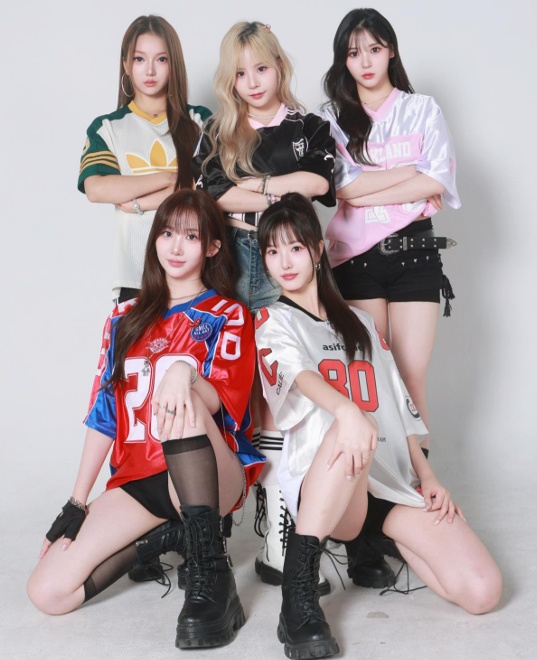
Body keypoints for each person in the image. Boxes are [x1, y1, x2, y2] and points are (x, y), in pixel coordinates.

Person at [254, 193, 501, 659]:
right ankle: (297, 594)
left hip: (386, 485)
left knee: (482, 590)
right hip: (329, 487)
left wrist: (428, 477)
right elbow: (300, 377)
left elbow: (399, 409)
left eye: (295, 247)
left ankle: (388, 541)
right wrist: (347, 411)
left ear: (318, 249)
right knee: (348, 425)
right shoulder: (272, 322)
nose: (284, 262)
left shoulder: (362, 323)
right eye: (272, 251)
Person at [27, 190, 265, 650]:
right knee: (48, 592)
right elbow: (104, 416)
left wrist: (183, 373)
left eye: (191, 237)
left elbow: (223, 400)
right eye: (167, 233)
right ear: (154, 239)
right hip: (140, 480)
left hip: (212, 475)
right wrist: (77, 502)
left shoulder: (228, 314)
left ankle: (212, 577)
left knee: (184, 399)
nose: (176, 247)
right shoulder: (123, 318)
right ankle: (161, 538)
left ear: (212, 247)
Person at [320, 7, 461, 588]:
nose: (365, 62)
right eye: (353, 52)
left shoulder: (422, 108)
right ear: (344, 59)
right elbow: (341, 189)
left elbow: (439, 179)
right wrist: (407, 174)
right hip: (354, 260)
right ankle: (369, 527)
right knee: (372, 387)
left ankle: (415, 499)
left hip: (415, 256)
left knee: (411, 380)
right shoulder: (332, 117)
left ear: (391, 51)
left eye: (374, 49)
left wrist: (373, 185)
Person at [193, 20, 336, 592]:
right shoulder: (217, 130)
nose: (252, 82)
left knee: (283, 387)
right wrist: (281, 185)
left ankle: (281, 531)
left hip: (287, 261)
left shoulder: (308, 125)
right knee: (229, 386)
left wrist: (254, 188)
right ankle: (215, 527)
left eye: (262, 68)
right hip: (230, 258)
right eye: (240, 73)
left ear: (280, 66)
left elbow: (320, 183)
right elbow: (213, 194)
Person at [78, 15, 211, 302]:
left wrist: (138, 202)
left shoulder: (200, 120)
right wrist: (170, 177)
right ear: (126, 64)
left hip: (196, 278)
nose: (150, 70)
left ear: (174, 64)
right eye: (139, 59)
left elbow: (210, 188)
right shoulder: (107, 127)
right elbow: (96, 188)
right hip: (134, 277)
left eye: (161, 59)